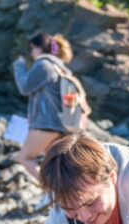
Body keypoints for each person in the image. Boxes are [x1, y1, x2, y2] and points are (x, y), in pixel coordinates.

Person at [12, 32, 89, 179]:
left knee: (25, 158)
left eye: (32, 49)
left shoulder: (43, 64)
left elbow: (24, 87)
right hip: (63, 125)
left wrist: (19, 66)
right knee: (55, 165)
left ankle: (54, 192)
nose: (31, 53)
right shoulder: (62, 68)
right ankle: (62, 196)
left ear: (38, 48)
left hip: (47, 125)